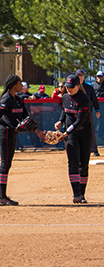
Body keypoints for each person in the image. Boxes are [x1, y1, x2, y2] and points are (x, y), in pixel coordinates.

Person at [0, 75, 46, 206]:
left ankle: (0, 196)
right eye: (19, 83)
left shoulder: (18, 99)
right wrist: (13, 127)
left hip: (11, 133)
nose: (21, 86)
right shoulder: (7, 98)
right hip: (5, 133)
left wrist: (37, 131)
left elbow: (26, 118)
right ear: (12, 85)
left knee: (7, 164)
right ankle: (2, 198)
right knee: (5, 164)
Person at [54, 74, 92, 203]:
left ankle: (82, 193)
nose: (68, 89)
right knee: (73, 162)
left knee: (84, 164)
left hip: (84, 133)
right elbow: (65, 111)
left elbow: (80, 121)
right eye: (67, 87)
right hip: (71, 135)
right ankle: (76, 194)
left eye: (71, 87)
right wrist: (60, 122)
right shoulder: (65, 97)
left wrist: (65, 132)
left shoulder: (84, 99)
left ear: (77, 85)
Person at [76, 69, 100, 156]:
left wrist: (97, 109)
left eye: (82, 75)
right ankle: (79, 150)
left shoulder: (89, 87)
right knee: (77, 130)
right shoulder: (74, 87)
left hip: (87, 112)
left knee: (90, 130)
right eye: (79, 75)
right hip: (77, 112)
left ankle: (94, 149)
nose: (81, 77)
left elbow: (94, 99)